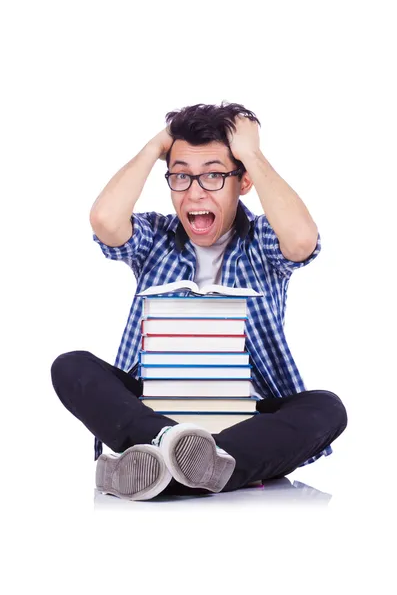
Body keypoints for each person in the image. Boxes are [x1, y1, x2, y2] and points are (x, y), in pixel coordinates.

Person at [51, 101, 347, 501]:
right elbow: (105, 220)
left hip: (245, 415)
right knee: (71, 366)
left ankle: (177, 466)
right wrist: (160, 143)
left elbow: (300, 240)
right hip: (153, 411)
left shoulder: (262, 240)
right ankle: (183, 452)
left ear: (242, 182)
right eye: (181, 176)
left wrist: (252, 154)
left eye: (213, 176)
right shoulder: (155, 237)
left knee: (327, 408)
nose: (194, 192)